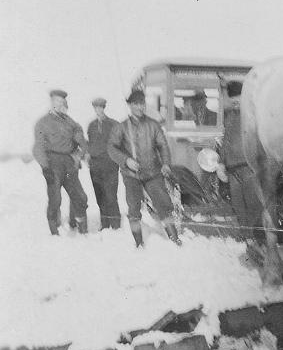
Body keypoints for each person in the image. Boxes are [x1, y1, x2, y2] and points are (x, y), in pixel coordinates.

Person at [107, 89, 181, 247]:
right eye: (136, 104)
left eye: (142, 104)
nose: (140, 107)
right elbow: (112, 148)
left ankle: (175, 239)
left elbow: (163, 145)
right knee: (133, 208)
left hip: (152, 173)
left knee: (163, 204)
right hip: (131, 175)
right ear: (130, 105)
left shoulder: (153, 125)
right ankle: (139, 243)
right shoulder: (121, 127)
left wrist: (166, 163)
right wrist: (126, 160)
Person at [33, 89, 89, 235]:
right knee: (55, 199)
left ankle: (82, 229)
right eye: (57, 101)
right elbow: (38, 147)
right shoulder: (42, 122)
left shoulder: (68, 120)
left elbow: (78, 132)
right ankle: (53, 230)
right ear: (51, 102)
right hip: (53, 163)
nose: (60, 104)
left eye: (62, 101)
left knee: (80, 196)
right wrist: (45, 167)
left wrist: (78, 148)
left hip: (69, 163)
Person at [220, 81, 261, 231]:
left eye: (238, 99)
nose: (235, 102)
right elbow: (226, 140)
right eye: (232, 100)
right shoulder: (230, 116)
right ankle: (247, 238)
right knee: (238, 205)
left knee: (253, 204)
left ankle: (256, 238)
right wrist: (220, 163)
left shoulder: (253, 115)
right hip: (232, 169)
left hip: (248, 167)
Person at [87, 97, 121, 230]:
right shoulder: (91, 125)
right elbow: (90, 143)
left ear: (104, 108)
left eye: (101, 107)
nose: (98, 110)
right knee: (100, 197)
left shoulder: (114, 124)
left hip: (110, 165)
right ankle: (105, 225)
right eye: (96, 107)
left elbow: (119, 144)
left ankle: (116, 226)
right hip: (95, 166)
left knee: (111, 196)